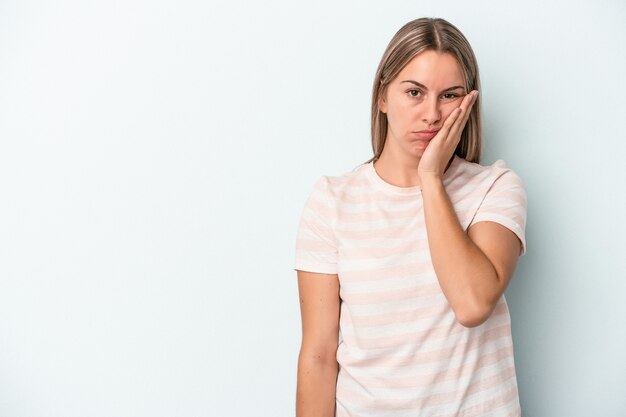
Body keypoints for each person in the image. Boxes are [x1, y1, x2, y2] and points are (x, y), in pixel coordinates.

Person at [294, 17, 527, 417]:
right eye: (414, 92)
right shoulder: (333, 200)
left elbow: (472, 304)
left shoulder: (495, 187)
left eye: (450, 95)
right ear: (383, 96)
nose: (432, 114)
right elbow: (318, 355)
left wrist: (430, 178)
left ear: (469, 102)